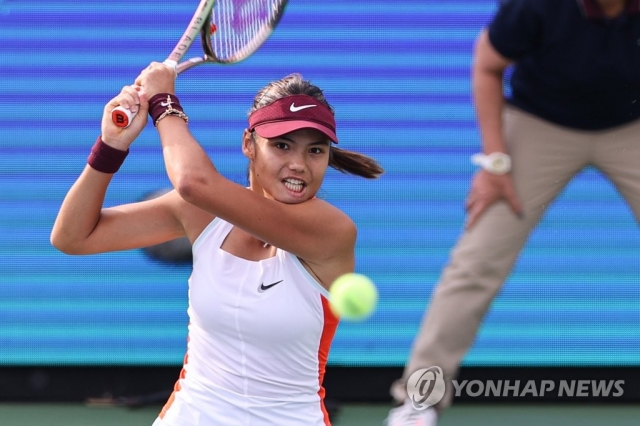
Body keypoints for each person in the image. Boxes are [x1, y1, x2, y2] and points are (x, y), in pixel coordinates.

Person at [50, 65, 383, 426]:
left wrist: (164, 102)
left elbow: (193, 181)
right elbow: (72, 237)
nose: (298, 165)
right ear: (248, 145)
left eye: (315, 151)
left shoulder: (331, 230)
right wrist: (112, 145)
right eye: (282, 145)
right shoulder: (201, 215)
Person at [385, 0, 640, 424]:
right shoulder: (535, 5)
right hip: (539, 122)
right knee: (476, 263)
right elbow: (487, 65)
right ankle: (419, 399)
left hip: (632, 124)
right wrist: (495, 162)